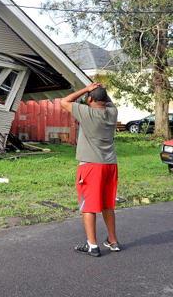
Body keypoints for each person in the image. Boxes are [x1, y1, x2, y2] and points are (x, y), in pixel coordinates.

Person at [60, 83, 120, 257]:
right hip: (110, 165)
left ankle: (92, 245)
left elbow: (65, 101)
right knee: (107, 204)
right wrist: (99, 92)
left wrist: (87, 89)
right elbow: (107, 101)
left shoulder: (86, 112)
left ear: (90, 99)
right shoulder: (112, 112)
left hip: (91, 166)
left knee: (89, 206)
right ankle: (113, 240)